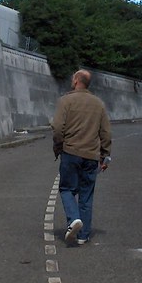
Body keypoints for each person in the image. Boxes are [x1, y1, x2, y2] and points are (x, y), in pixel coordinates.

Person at [52, 69, 112, 245]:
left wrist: (58, 146)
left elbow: (57, 128)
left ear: (77, 81)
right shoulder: (98, 104)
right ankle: (83, 235)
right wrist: (105, 156)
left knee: (66, 189)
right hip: (92, 156)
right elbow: (106, 133)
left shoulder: (65, 101)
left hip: (71, 153)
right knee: (86, 194)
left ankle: (73, 219)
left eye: (73, 78)